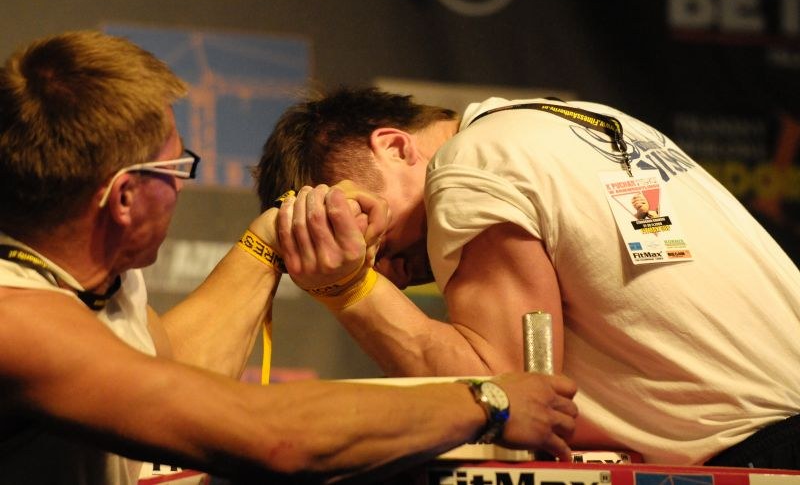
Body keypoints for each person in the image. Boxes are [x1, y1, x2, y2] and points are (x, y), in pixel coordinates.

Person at [0, 32, 579, 484]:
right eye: (176, 168)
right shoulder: (19, 322)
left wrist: (277, 238)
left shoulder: (97, 284)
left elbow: (179, 376)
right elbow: (270, 435)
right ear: (124, 197)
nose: (182, 185)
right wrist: (487, 400)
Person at [256, 86, 800, 469]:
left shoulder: (468, 166)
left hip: (766, 456)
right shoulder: (573, 120)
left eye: (376, 239)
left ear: (396, 146)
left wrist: (347, 287)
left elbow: (508, 399)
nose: (388, 274)